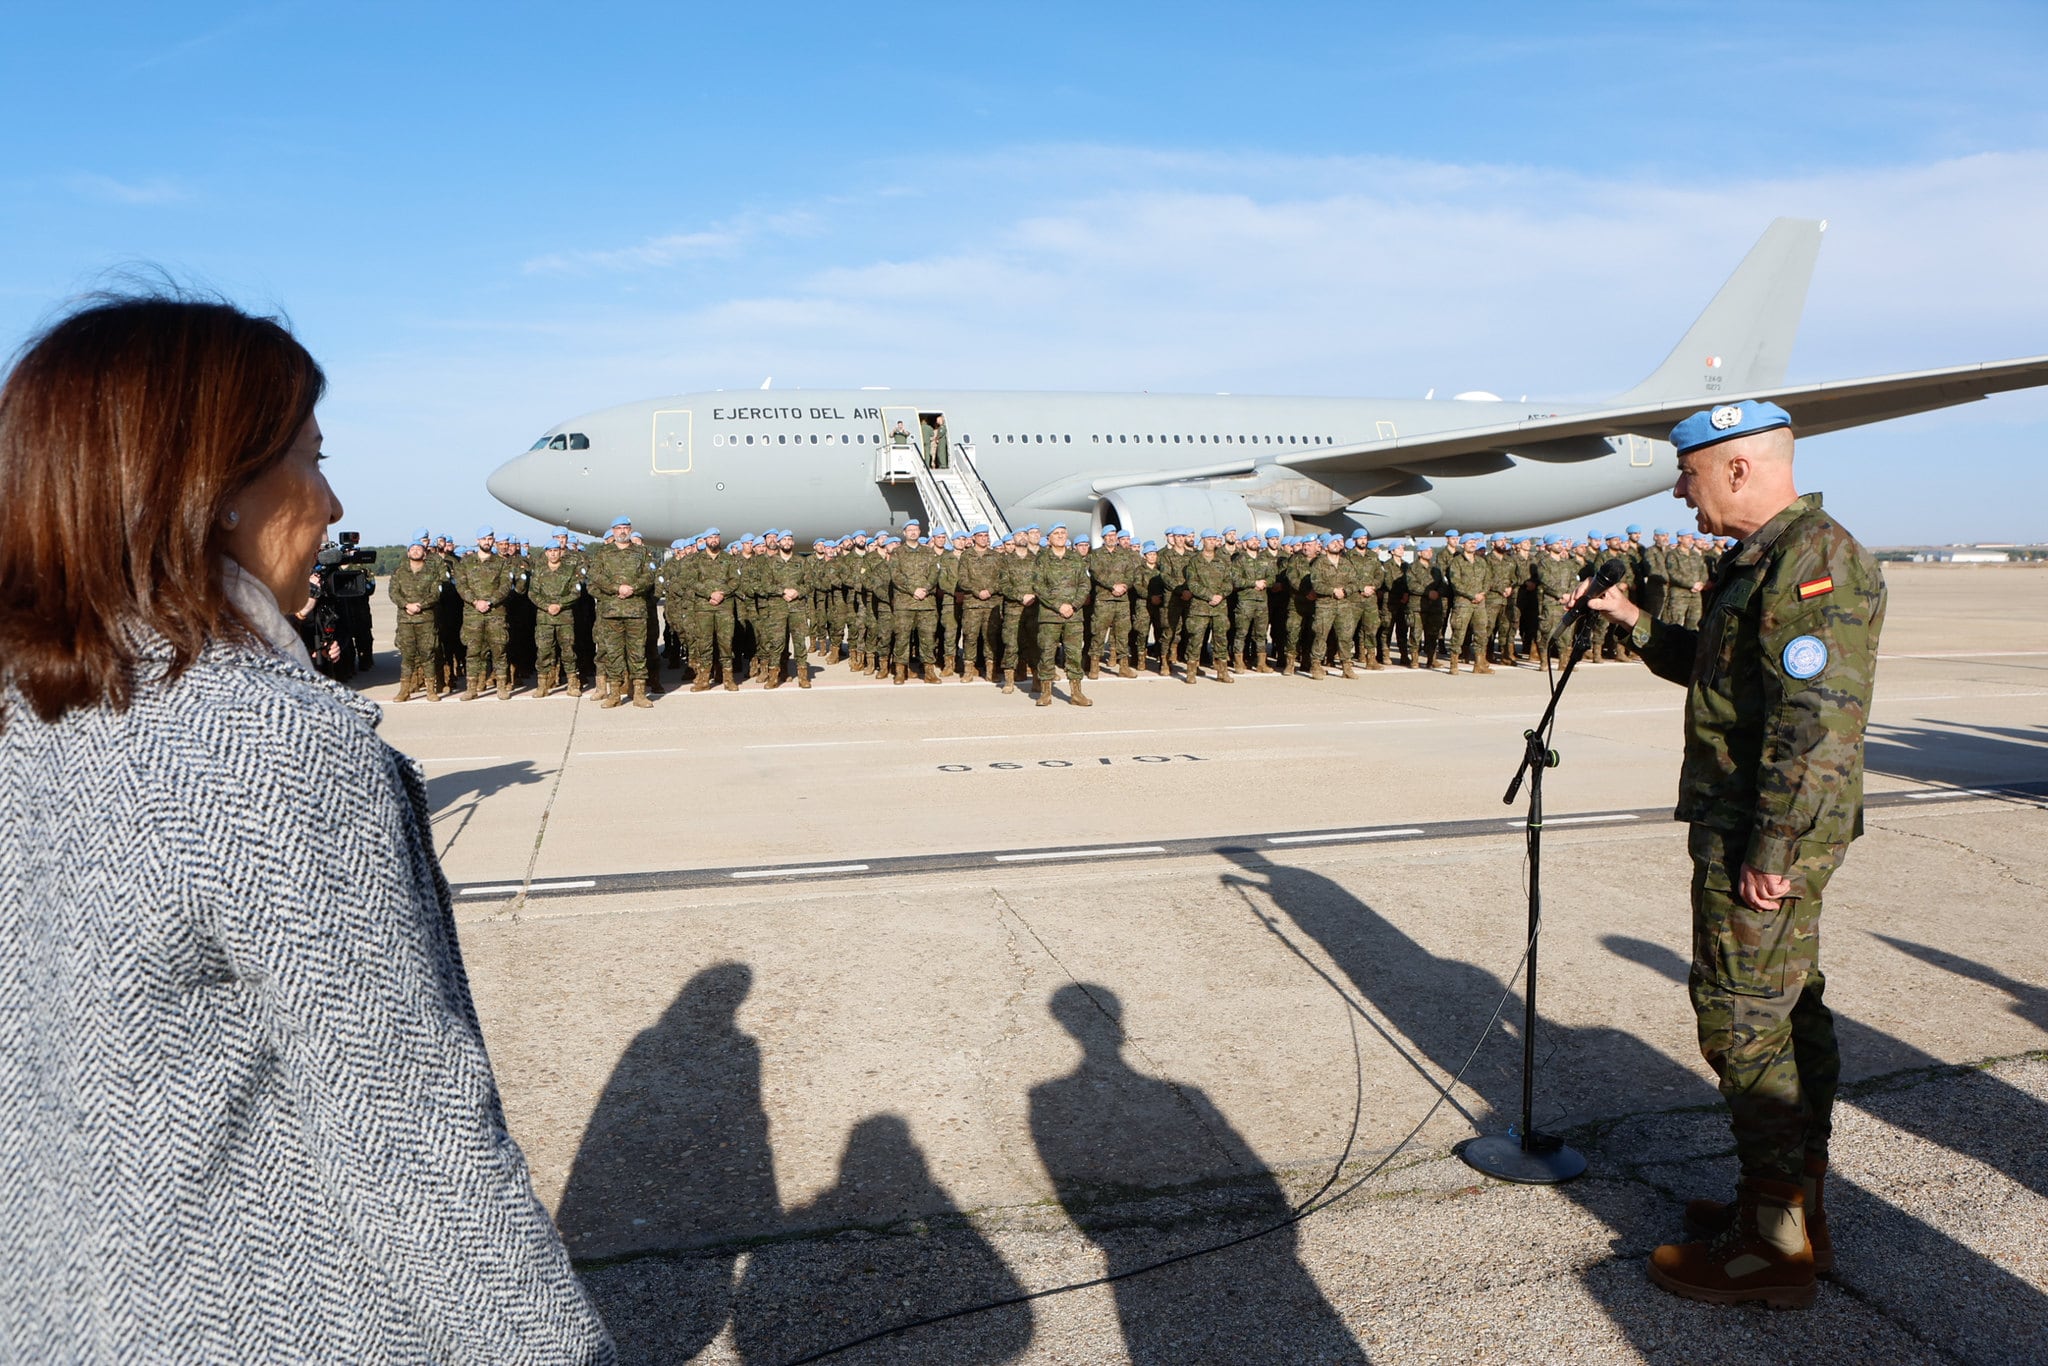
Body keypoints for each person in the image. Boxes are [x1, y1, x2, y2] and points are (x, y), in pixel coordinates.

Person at [0, 293, 613, 1361]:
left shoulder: (32, 705)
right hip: (261, 1315)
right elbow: (410, 1138)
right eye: (308, 458)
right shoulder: (265, 743)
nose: (331, 503)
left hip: (66, 1303)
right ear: (213, 490)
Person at [1572, 399, 1885, 1310]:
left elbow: (1817, 724)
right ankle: (1790, 1209)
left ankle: (1770, 1250)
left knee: (1742, 1024)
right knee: (1789, 1015)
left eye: (1690, 473)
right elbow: (1725, 674)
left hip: (1764, 837)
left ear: (1740, 470)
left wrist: (1775, 848)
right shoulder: (1763, 561)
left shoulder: (1813, 562)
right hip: (1753, 829)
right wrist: (1633, 620)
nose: (1680, 491)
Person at [587, 514, 656, 707]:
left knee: (637, 653)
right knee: (613, 653)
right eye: (618, 528)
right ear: (613, 531)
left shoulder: (642, 552)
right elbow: (595, 575)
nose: (622, 531)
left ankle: (639, 694)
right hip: (611, 611)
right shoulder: (603, 553)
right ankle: (614, 694)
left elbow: (649, 576)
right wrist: (616, 588)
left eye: (625, 528)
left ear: (630, 530)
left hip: (635, 611)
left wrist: (632, 587)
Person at [386, 531, 444, 700]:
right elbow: (393, 592)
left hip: (425, 619)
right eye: (413, 548)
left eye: (419, 548)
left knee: (428, 655)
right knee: (407, 656)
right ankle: (404, 690)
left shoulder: (432, 571)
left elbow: (436, 593)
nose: (416, 551)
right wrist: (406, 605)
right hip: (406, 620)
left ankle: (431, 690)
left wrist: (421, 606)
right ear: (408, 553)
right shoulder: (399, 572)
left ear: (424, 552)